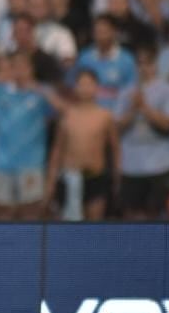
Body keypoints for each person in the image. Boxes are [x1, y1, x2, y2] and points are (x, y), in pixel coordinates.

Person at [0, 52, 56, 220]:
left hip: (31, 164)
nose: (20, 70)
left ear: (31, 69)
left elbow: (64, 112)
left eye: (23, 66)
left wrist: (39, 90)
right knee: (2, 214)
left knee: (30, 213)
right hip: (2, 165)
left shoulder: (41, 93)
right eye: (15, 66)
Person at [115, 46, 169, 220]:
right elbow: (118, 127)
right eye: (140, 63)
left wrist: (145, 108)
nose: (144, 68)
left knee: (158, 215)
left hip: (159, 164)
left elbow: (167, 125)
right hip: (131, 166)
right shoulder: (126, 92)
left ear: (155, 65)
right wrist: (133, 110)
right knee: (132, 215)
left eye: (148, 63)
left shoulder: (168, 90)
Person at [48, 69, 119, 221]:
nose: (85, 88)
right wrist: (51, 181)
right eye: (81, 84)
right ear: (75, 87)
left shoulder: (105, 116)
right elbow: (57, 150)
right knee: (69, 228)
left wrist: (116, 178)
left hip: (95, 178)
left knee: (93, 228)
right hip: (70, 178)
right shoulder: (67, 115)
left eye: (89, 84)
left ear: (97, 87)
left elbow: (115, 149)